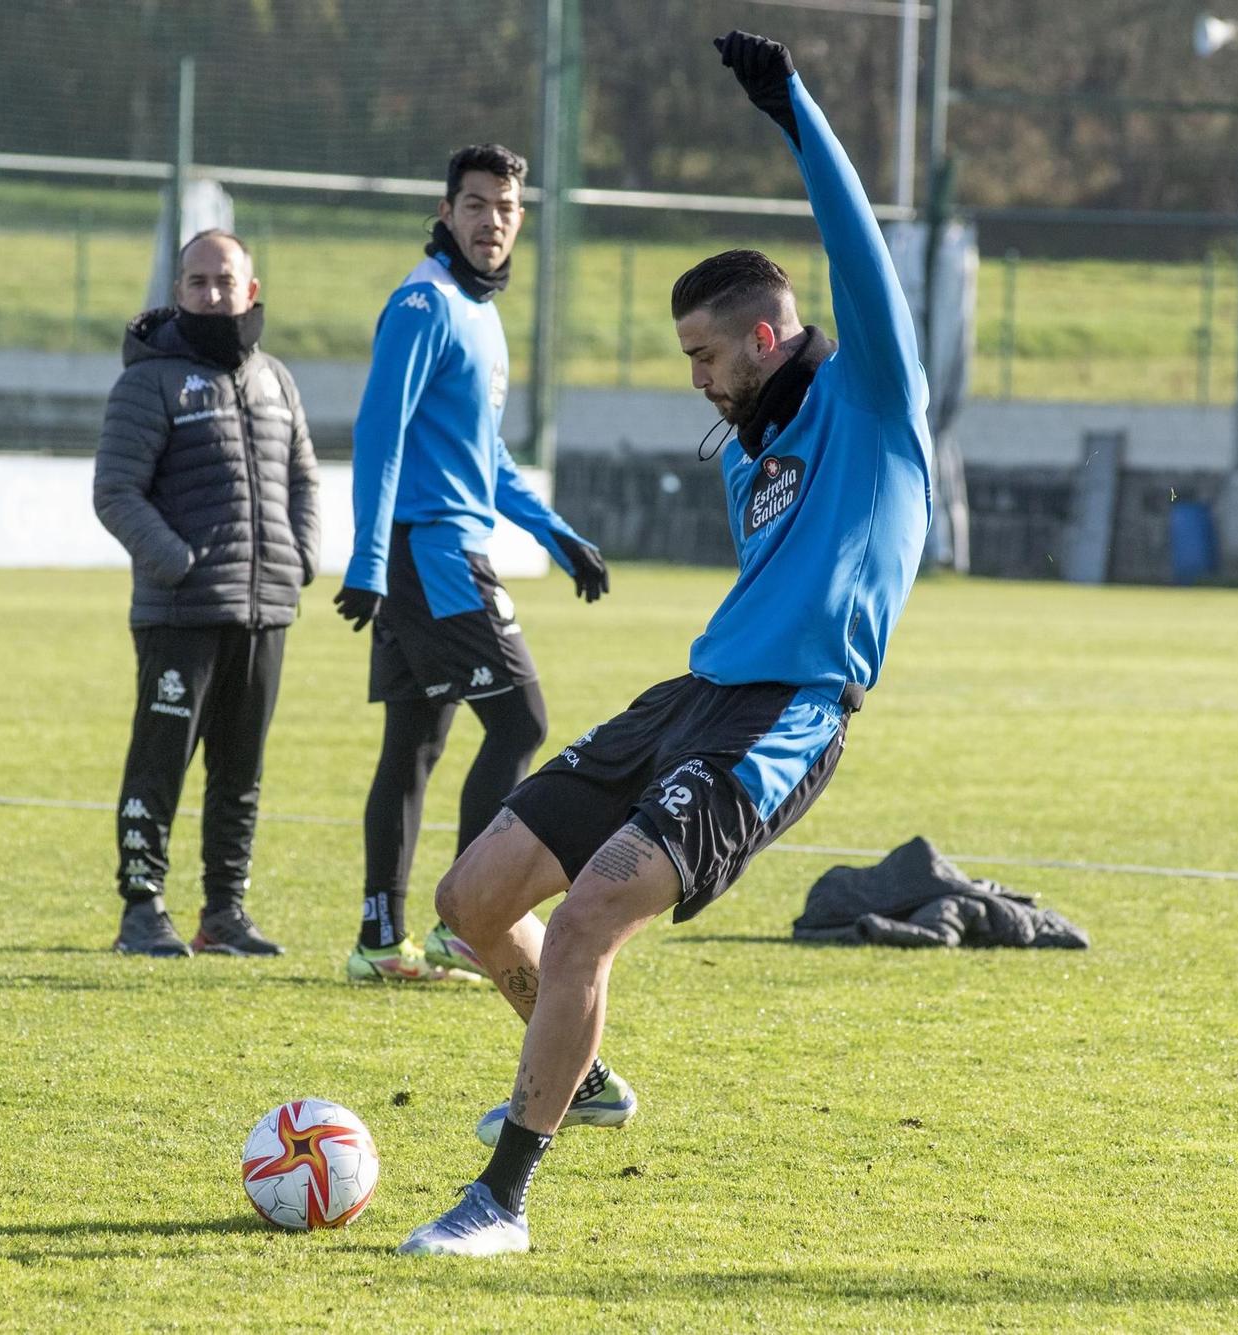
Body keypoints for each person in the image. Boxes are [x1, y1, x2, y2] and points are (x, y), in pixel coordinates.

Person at [396, 31, 933, 1256]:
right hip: (689, 695)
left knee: (588, 917)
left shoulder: (871, 399)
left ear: (761, 337)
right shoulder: (752, 449)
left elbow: (856, 245)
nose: (694, 379)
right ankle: (575, 1076)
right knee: (472, 901)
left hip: (785, 716)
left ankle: (501, 1202)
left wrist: (791, 107)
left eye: (703, 355)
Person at [334, 143, 611, 984]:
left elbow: (483, 457)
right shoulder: (423, 304)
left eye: (508, 208)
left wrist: (557, 532)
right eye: (477, 204)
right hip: (435, 557)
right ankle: (474, 921)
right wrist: (368, 562)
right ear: (447, 211)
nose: (494, 221)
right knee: (521, 721)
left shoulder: (477, 313)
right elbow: (378, 436)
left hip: (440, 551)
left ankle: (381, 940)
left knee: (415, 744)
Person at [93, 229, 319, 958]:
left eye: (225, 280)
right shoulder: (149, 381)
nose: (212, 293)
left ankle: (224, 911)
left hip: (265, 609)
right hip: (180, 609)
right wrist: (177, 562)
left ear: (251, 291)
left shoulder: (276, 380)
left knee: (240, 771)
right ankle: (142, 908)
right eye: (197, 281)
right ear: (178, 292)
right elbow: (115, 492)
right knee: (158, 766)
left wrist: (301, 557)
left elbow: (304, 480)